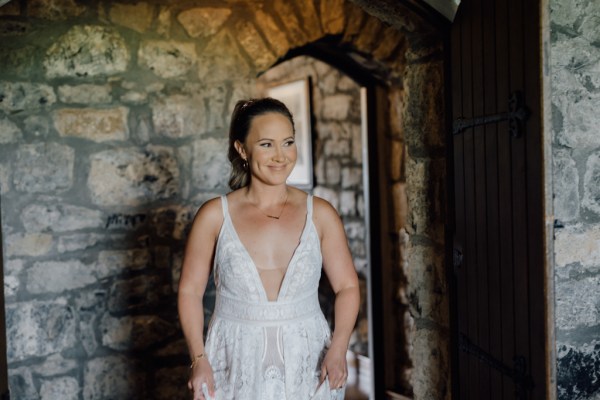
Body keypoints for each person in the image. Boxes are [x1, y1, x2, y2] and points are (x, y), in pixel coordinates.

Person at [178, 98, 360, 400]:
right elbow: (189, 292)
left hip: (309, 363)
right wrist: (199, 359)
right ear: (241, 149)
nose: (280, 156)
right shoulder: (214, 215)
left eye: (288, 142)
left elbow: (348, 286)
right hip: (233, 362)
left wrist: (339, 347)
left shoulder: (321, 214)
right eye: (266, 144)